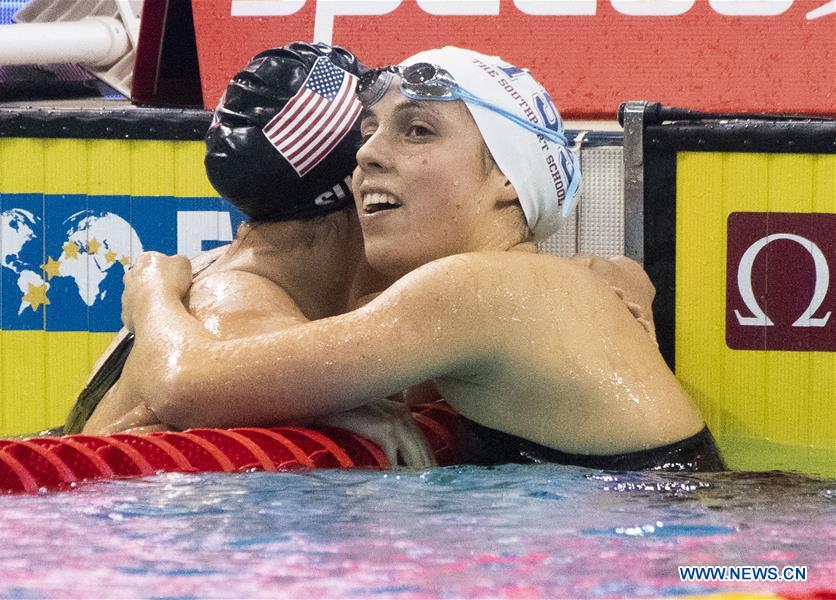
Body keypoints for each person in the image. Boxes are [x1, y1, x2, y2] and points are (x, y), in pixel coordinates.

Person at [93, 47, 723, 471]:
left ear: (509, 179)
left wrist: (151, 291)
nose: (366, 155)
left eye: (417, 130)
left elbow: (184, 384)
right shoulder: (530, 288)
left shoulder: (472, 290)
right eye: (370, 130)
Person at [74, 41, 432, 466]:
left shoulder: (235, 277)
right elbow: (187, 384)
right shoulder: (239, 309)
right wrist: (326, 400)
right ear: (359, 193)